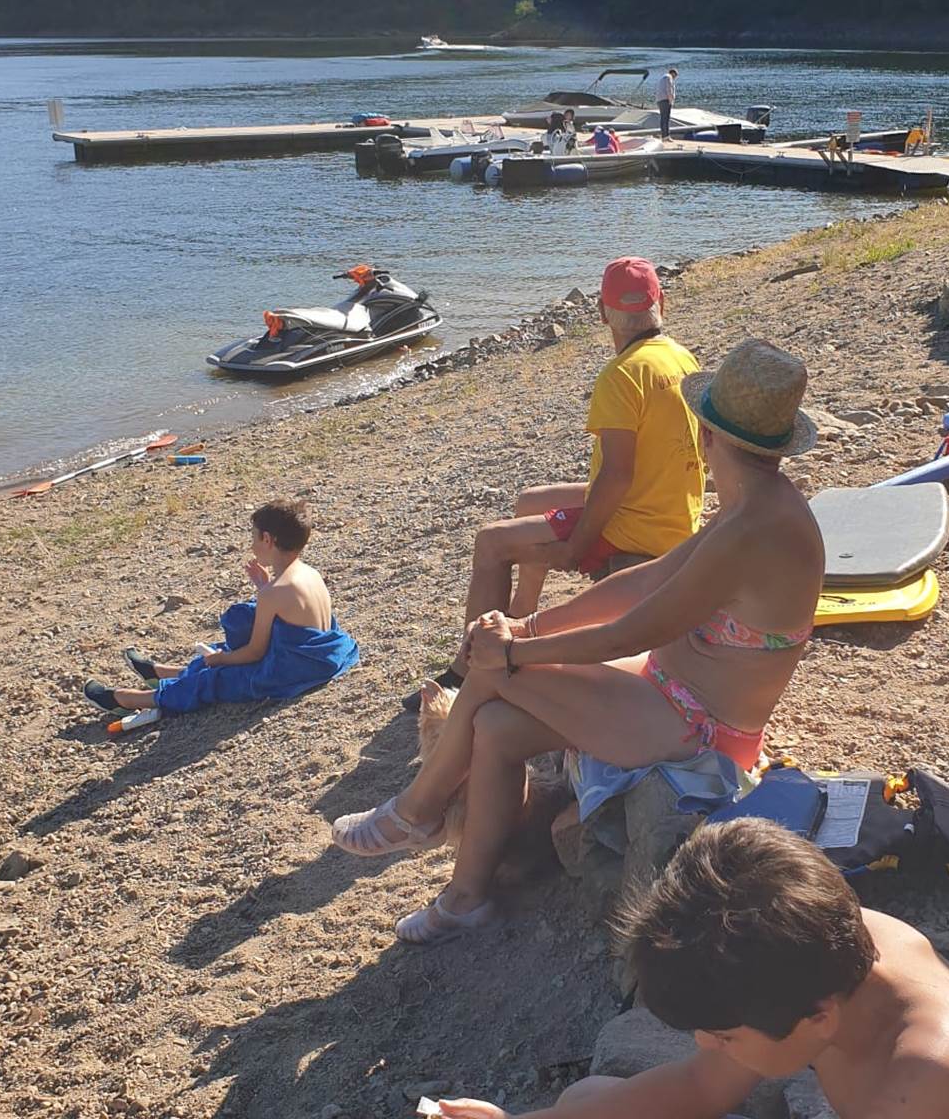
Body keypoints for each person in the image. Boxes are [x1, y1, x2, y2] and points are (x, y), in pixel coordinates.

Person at [335, 339, 824, 947]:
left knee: (492, 677)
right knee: (495, 726)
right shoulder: (755, 504)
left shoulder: (753, 529)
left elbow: (632, 630)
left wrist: (512, 653)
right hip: (669, 693)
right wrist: (529, 629)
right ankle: (465, 896)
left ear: (707, 435)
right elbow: (641, 582)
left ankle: (417, 810)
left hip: (698, 728)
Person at [431, 820, 949, 1119]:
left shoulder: (925, 1083)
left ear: (819, 1018)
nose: (709, 1043)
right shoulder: (815, 957)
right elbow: (703, 1087)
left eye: (725, 1035)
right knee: (585, 1101)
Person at [398, 256, 704, 711]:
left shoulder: (622, 375)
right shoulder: (681, 358)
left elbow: (616, 476)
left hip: (638, 525)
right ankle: (521, 613)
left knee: (491, 543)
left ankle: (469, 673)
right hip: (672, 509)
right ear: (661, 303)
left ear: (603, 313)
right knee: (530, 502)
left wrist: (576, 545)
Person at [82, 500, 358, 722]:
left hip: (299, 669)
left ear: (267, 539)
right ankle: (164, 673)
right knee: (221, 651)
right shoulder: (308, 573)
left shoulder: (275, 592)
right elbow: (297, 619)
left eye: (253, 537)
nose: (251, 544)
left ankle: (127, 700)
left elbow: (255, 653)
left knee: (217, 675)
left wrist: (223, 660)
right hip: (325, 654)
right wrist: (264, 586)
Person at [656, 67, 678, 140]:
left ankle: (664, 135)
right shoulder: (669, 78)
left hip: (660, 100)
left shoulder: (663, 77)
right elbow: (669, 90)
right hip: (665, 100)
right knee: (666, 118)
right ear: (673, 73)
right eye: (675, 76)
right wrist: (671, 101)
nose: (675, 78)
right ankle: (666, 136)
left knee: (663, 119)